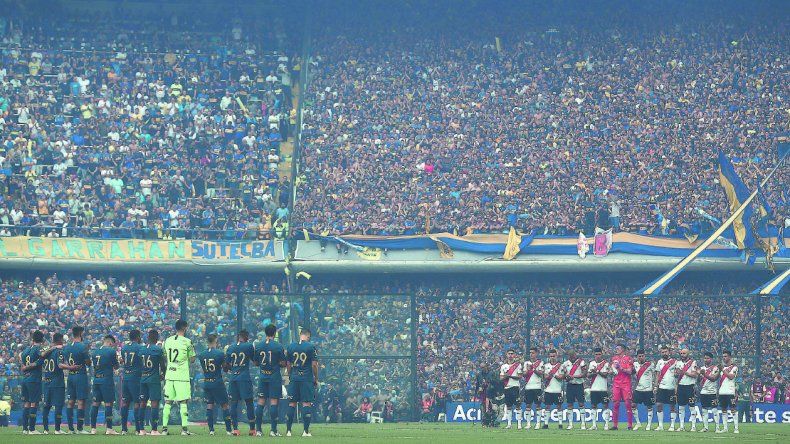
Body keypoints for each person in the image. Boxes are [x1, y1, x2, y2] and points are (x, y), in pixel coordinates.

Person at [162, 319, 196, 435]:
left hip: (169, 375)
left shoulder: (167, 340)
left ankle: (164, 429)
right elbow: (192, 359)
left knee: (168, 402)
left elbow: (165, 356)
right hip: (181, 376)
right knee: (183, 402)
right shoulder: (187, 342)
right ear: (185, 328)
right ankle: (184, 430)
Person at [253, 324, 286, 437]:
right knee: (273, 402)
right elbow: (283, 363)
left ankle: (258, 430)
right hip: (274, 377)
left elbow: (256, 363)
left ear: (266, 333)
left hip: (263, 376)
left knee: (261, 402)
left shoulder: (258, 345)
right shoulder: (278, 346)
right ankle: (273, 430)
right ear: (275, 333)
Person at [286, 328, 318, 437]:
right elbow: (314, 365)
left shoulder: (291, 346)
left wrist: (290, 375)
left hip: (294, 378)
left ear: (300, 335)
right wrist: (316, 378)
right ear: (308, 336)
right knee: (306, 403)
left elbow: (288, 364)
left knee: (292, 403)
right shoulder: (311, 346)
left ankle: (288, 431)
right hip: (306, 378)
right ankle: (305, 431)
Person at [197, 334, 232, 436]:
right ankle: (228, 430)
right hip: (217, 382)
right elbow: (225, 368)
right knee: (225, 405)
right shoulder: (220, 353)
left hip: (207, 382)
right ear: (215, 341)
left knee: (209, 405)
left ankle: (211, 430)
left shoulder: (202, 354)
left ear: (207, 342)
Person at [225, 329, 256, 435]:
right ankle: (252, 429)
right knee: (249, 402)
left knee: (233, 403)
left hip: (233, 378)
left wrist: (233, 368)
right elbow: (255, 361)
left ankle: (235, 430)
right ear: (246, 337)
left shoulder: (230, 347)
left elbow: (226, 366)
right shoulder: (248, 346)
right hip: (244, 378)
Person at [62, 326, 91, 433]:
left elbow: (65, 360)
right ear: (80, 333)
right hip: (80, 375)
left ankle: (70, 429)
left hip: (71, 376)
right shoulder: (82, 346)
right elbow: (88, 363)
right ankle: (79, 428)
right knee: (80, 402)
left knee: (70, 401)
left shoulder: (67, 347)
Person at [89, 335, 119, 435]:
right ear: (110, 343)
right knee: (108, 404)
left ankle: (93, 428)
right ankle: (109, 429)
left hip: (96, 380)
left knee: (95, 404)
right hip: (106, 380)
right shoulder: (111, 351)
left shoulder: (94, 352)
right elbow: (116, 366)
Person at [138, 329, 166, 435]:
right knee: (154, 403)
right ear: (156, 338)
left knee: (143, 403)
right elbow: (162, 365)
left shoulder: (141, 349)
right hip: (153, 379)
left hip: (143, 379)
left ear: (148, 338)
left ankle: (141, 430)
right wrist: (163, 374)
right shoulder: (157, 349)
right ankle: (154, 429)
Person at [20, 330, 45, 434]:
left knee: (27, 403)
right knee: (34, 403)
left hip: (25, 378)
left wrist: (25, 368)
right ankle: (32, 429)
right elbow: (41, 359)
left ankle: (25, 429)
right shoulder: (38, 349)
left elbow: (21, 362)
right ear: (42, 339)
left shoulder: (26, 350)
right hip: (34, 379)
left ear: (33, 339)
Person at [41, 332, 66, 434]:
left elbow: (41, 356)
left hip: (46, 381)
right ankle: (57, 429)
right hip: (57, 381)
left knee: (46, 406)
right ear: (60, 340)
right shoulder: (59, 351)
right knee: (58, 405)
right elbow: (60, 365)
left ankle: (46, 429)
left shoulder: (46, 351)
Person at [119, 330, 143, 435]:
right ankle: (138, 429)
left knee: (125, 402)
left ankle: (124, 429)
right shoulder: (139, 347)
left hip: (126, 377)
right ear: (138, 337)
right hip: (135, 378)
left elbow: (123, 360)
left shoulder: (124, 347)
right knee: (137, 402)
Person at [653, 346, 679, 431]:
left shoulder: (675, 362)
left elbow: (678, 375)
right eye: (662, 352)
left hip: (671, 387)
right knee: (659, 405)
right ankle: (660, 425)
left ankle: (672, 426)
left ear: (669, 352)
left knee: (672, 406)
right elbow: (657, 375)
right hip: (661, 387)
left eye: (666, 352)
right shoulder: (659, 362)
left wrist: (676, 386)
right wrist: (656, 386)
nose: (664, 353)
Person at [560, 349, 586, 430]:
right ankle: (570, 424)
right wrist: (566, 376)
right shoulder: (565, 364)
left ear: (575, 355)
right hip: (570, 385)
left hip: (579, 385)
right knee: (569, 404)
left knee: (581, 404)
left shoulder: (581, 362)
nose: (572, 357)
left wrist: (573, 376)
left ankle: (583, 424)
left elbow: (584, 374)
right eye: (570, 356)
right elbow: (564, 377)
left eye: (573, 356)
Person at [610, 343, 634, 430]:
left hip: (625, 383)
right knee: (616, 403)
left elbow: (630, 371)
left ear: (623, 349)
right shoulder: (614, 359)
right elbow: (612, 370)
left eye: (618, 348)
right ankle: (615, 425)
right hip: (616, 384)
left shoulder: (628, 359)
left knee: (628, 403)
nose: (616, 350)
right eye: (616, 348)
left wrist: (621, 368)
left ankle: (629, 425)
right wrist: (611, 371)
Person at [675, 348, 699, 431]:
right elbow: (676, 375)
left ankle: (693, 426)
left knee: (692, 406)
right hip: (681, 386)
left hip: (689, 387)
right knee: (681, 407)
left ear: (688, 354)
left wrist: (684, 372)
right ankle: (681, 426)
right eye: (681, 353)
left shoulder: (693, 362)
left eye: (684, 353)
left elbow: (695, 375)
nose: (682, 355)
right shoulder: (678, 363)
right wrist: (676, 373)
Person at [631, 349, 656, 431]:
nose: (641, 357)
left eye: (642, 356)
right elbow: (632, 374)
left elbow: (655, 375)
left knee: (649, 407)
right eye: (639, 356)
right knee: (633, 405)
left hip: (648, 390)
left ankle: (648, 425)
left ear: (644, 356)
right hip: (638, 389)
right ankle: (638, 423)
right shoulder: (634, 364)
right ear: (637, 357)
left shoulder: (650, 365)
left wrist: (655, 385)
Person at [499, 349, 522, 429]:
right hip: (507, 388)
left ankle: (519, 424)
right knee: (508, 406)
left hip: (515, 387)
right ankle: (509, 424)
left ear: (514, 355)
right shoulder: (503, 366)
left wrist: (510, 376)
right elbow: (501, 378)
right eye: (509, 354)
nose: (510, 355)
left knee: (517, 406)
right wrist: (506, 376)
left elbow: (519, 377)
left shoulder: (518, 365)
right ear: (506, 354)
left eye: (512, 354)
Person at [587, 347, 610, 430]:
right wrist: (593, 373)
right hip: (594, 388)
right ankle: (594, 425)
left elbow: (605, 375)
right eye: (596, 354)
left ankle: (606, 424)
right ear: (594, 355)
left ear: (602, 354)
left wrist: (597, 371)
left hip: (603, 388)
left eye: (599, 354)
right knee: (593, 406)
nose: (598, 356)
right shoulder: (591, 363)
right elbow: (588, 376)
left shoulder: (606, 363)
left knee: (605, 405)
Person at [540, 349, 563, 429]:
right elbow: (545, 377)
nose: (552, 357)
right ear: (549, 357)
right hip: (548, 390)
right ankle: (546, 424)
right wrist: (551, 374)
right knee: (547, 407)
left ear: (556, 356)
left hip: (557, 390)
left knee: (559, 407)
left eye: (554, 356)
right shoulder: (546, 366)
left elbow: (561, 377)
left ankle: (560, 424)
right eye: (551, 356)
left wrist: (554, 375)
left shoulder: (560, 366)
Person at [717, 350, 739, 434]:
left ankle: (736, 428)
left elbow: (731, 377)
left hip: (730, 392)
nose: (724, 358)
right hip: (722, 392)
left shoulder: (734, 367)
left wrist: (722, 369)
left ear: (730, 357)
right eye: (723, 356)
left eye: (725, 356)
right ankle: (725, 428)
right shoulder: (722, 368)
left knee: (733, 409)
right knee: (723, 410)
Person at [522, 347, 543, 430]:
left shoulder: (540, 363)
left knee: (538, 405)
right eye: (530, 352)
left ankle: (538, 423)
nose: (531, 354)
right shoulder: (526, 363)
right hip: (528, 387)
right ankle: (528, 423)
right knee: (528, 405)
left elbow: (541, 374)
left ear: (536, 353)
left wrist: (533, 369)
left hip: (537, 386)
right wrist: (527, 370)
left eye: (533, 352)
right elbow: (524, 374)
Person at [698, 352, 720, 433]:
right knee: (704, 410)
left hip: (712, 392)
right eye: (705, 358)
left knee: (714, 410)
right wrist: (699, 376)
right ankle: (705, 427)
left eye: (707, 358)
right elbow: (700, 381)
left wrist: (704, 374)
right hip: (703, 392)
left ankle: (717, 428)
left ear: (711, 359)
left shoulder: (715, 368)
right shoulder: (702, 368)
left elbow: (714, 379)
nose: (706, 360)